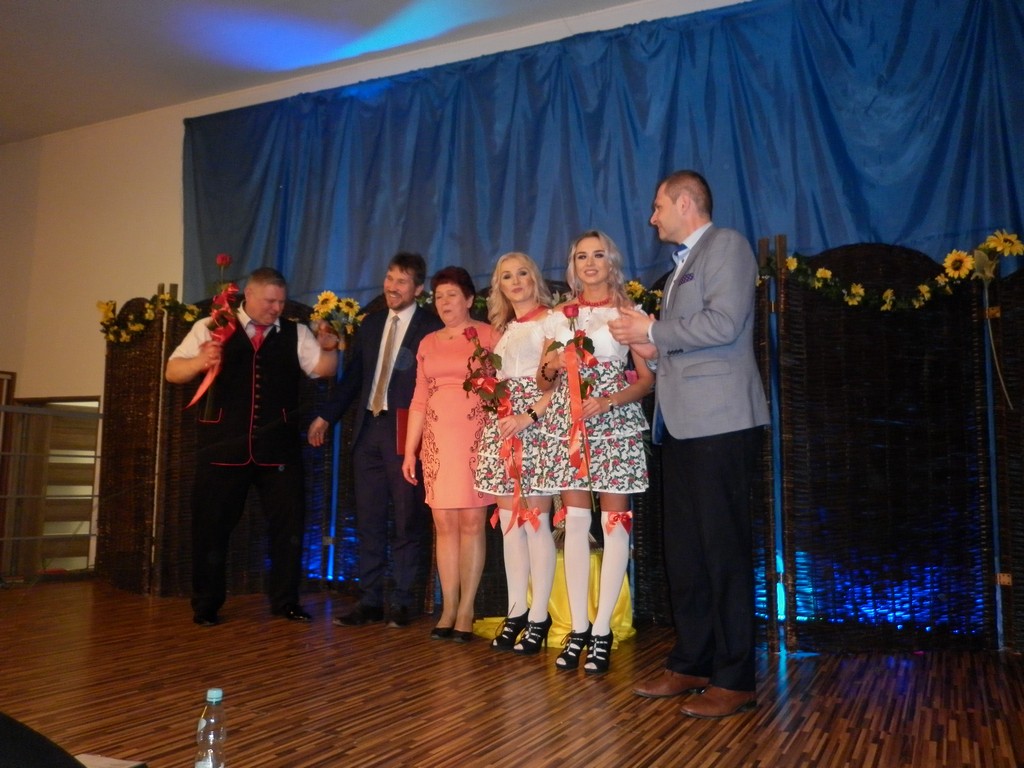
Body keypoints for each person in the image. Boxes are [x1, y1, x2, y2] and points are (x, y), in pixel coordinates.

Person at [609, 170, 770, 718]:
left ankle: (735, 677)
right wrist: (649, 349)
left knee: (723, 552)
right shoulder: (680, 267)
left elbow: (723, 324)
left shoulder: (727, 246)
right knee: (686, 554)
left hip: (720, 424)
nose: (651, 218)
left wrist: (652, 332)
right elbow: (684, 345)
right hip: (679, 426)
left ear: (684, 203)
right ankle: (692, 662)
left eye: (658, 207)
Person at [166, 266, 339, 626]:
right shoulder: (212, 326)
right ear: (249, 295)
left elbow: (323, 369)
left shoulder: (295, 332)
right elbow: (172, 371)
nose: (277, 308)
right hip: (222, 448)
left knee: (289, 528)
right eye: (270, 301)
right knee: (211, 528)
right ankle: (206, 604)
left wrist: (331, 349)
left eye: (281, 302)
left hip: (278, 451)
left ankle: (286, 601)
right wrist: (199, 361)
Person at [534, 230, 654, 674]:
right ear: (573, 266)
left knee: (615, 523)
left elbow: (646, 379)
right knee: (576, 524)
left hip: (612, 422)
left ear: (611, 262)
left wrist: (609, 400)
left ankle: (603, 629)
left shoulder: (626, 313)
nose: (589, 263)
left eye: (598, 255)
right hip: (569, 423)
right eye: (581, 256)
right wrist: (550, 367)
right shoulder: (558, 317)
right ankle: (579, 627)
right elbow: (543, 380)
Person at [308, 252, 443, 628]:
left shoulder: (431, 328)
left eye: (402, 281)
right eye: (389, 278)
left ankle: (402, 601)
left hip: (406, 430)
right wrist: (326, 415)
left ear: (418, 289)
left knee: (406, 519)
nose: (392, 287)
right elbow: (354, 378)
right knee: (368, 518)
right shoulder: (371, 323)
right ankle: (369, 600)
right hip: (368, 429)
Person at [402, 266, 497, 642]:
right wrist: (410, 450)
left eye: (452, 295)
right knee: (443, 525)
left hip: (477, 437)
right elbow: (419, 399)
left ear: (470, 299)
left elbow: (505, 388)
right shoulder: (427, 342)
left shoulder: (490, 335)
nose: (444, 302)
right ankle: (448, 607)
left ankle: (467, 610)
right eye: (439, 296)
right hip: (438, 441)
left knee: (472, 523)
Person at [473, 252, 557, 655]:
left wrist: (529, 416)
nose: (517, 281)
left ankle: (540, 617)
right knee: (510, 526)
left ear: (534, 277)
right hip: (504, 428)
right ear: (500, 286)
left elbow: (558, 384)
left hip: (535, 427)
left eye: (523, 272)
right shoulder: (504, 329)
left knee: (536, 523)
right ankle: (516, 611)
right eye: (507, 276)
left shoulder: (552, 322)